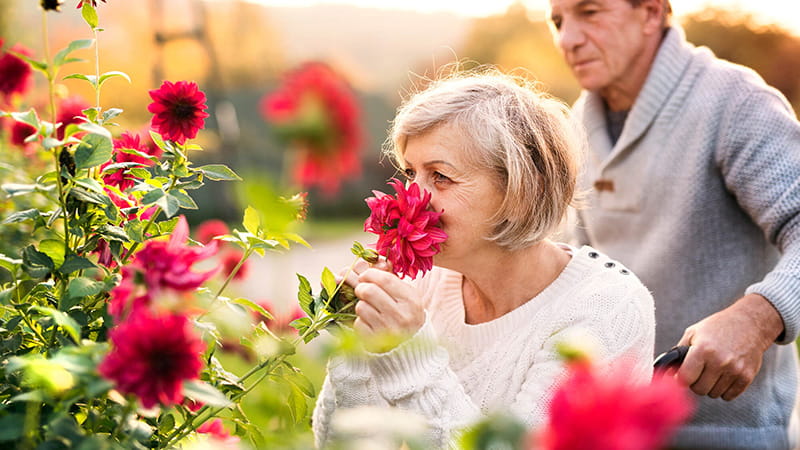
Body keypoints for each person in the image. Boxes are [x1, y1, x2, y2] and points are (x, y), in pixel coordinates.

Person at [311, 71, 656, 448]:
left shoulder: (606, 310)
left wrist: (411, 357)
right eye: (410, 173)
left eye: (440, 177)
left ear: (519, 193)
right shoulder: (419, 284)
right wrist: (355, 350)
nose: (410, 199)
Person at [547, 0, 800, 448]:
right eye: (559, 21)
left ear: (650, 13)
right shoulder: (573, 127)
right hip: (616, 435)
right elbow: (576, 277)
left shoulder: (735, 102)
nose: (568, 38)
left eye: (590, 12)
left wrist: (757, 318)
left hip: (728, 434)